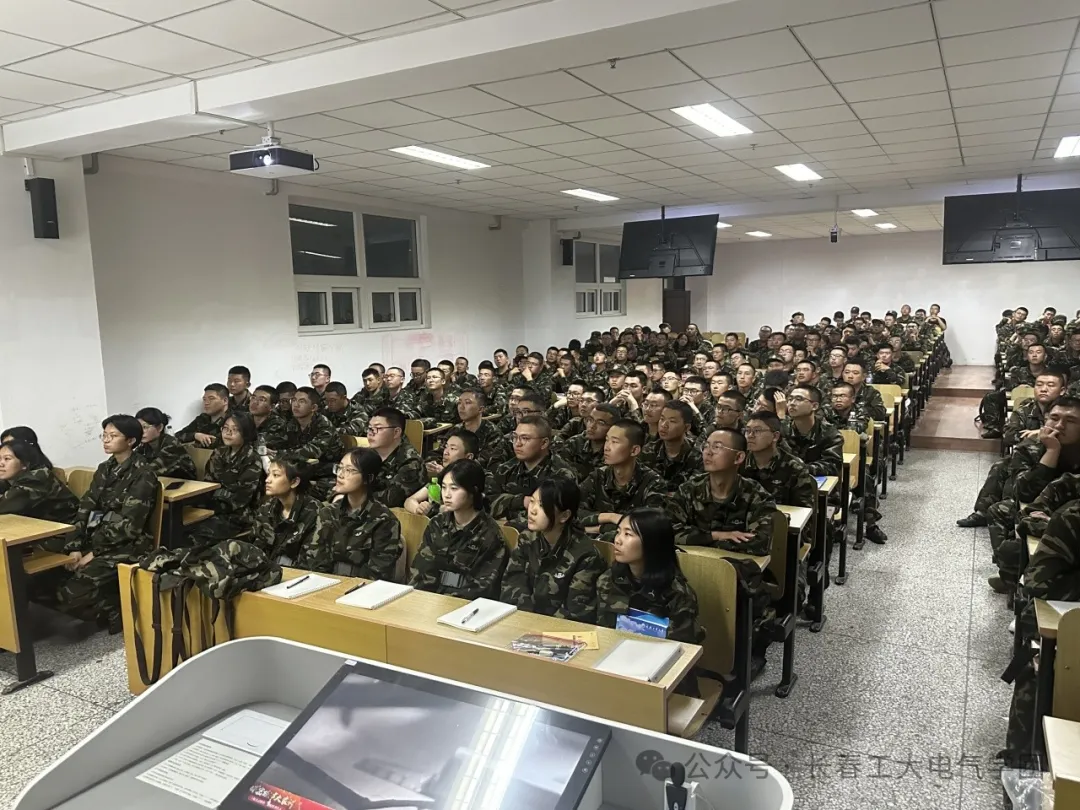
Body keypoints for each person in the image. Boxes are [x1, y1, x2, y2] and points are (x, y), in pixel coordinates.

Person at [54, 415, 158, 631]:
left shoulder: (143, 474)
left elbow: (130, 526)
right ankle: (107, 598)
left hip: (129, 544)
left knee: (69, 595)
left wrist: (94, 553)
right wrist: (74, 546)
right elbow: (85, 508)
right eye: (104, 435)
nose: (106, 440)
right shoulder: (105, 468)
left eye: (113, 436)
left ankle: (115, 607)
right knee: (49, 575)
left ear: (130, 441)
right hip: (99, 535)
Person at [1005, 502, 1080, 763]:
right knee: (1040, 661)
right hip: (1066, 624)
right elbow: (1037, 583)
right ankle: (1022, 759)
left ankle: (1023, 758)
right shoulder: (1072, 516)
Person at [988, 399, 1080, 592]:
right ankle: (1010, 577)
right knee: (1004, 530)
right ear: (1045, 420)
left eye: (1071, 421)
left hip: (1070, 519)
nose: (1060, 425)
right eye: (1054, 418)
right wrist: (1052, 451)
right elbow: (1024, 492)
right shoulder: (1030, 446)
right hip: (1038, 509)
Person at [500, 478, 606, 622]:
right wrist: (526, 620)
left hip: (560, 629)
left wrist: (538, 627)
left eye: (542, 506)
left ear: (564, 516)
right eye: (532, 501)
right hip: (523, 622)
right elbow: (512, 584)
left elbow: (575, 612)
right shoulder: (527, 538)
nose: (532, 510)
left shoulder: (586, 556)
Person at [595, 509, 703, 645]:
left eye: (628, 534)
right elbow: (601, 631)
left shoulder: (678, 595)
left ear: (652, 542)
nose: (617, 540)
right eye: (618, 532)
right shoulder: (608, 579)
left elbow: (683, 649)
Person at [409, 459, 508, 599]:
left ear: (473, 490)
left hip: (464, 605)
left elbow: (481, 588)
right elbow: (421, 571)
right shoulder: (437, 523)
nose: (447, 494)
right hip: (428, 600)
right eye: (444, 487)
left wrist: (445, 599)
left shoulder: (490, 534)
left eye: (454, 488)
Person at [301, 448, 403, 581]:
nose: (340, 475)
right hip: (325, 584)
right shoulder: (328, 512)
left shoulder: (384, 521)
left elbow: (378, 573)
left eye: (349, 470)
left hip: (362, 588)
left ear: (368, 478)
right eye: (340, 468)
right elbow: (315, 561)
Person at [671, 428, 776, 555]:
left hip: (737, 565)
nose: (708, 452)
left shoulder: (758, 496)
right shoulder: (688, 490)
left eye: (717, 447)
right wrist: (716, 536)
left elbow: (760, 544)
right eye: (706, 446)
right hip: (694, 564)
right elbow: (668, 531)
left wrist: (699, 539)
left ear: (738, 457)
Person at [579, 419, 666, 539]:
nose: (606, 447)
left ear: (634, 450)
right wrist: (610, 517)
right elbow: (572, 512)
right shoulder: (598, 476)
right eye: (607, 440)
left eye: (614, 442)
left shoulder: (653, 483)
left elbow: (646, 528)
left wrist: (597, 528)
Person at [186, 412, 264, 546]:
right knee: (180, 523)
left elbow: (241, 497)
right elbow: (207, 484)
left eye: (235, 430)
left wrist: (214, 499)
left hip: (238, 514)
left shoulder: (252, 459)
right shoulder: (219, 452)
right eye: (225, 428)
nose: (228, 433)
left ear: (246, 433)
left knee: (201, 532)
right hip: (212, 506)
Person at [489, 415, 576, 525]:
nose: (517, 443)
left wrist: (507, 514)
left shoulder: (561, 474)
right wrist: (522, 501)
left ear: (544, 443)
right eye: (515, 437)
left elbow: (552, 517)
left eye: (525, 438)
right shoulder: (506, 469)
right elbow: (487, 503)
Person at [251, 458, 321, 567]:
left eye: (275, 475)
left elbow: (310, 560)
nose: (267, 480)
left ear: (294, 482)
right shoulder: (266, 508)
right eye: (268, 474)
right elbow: (256, 550)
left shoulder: (314, 512)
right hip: (268, 571)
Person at [742, 411, 817, 508]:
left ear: (775, 436)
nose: (750, 435)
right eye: (747, 430)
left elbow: (804, 510)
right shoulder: (738, 462)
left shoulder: (794, 467)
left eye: (757, 431)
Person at [280, 386, 342, 499]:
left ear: (313, 407)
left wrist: (280, 454)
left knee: (309, 495)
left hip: (328, 472)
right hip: (304, 469)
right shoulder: (292, 423)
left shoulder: (324, 425)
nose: (295, 405)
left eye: (302, 401)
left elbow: (310, 452)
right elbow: (280, 442)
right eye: (294, 400)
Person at [0, 438, 78, 523]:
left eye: (7, 459)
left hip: (67, 527)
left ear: (25, 464)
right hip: (39, 526)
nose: (1, 463)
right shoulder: (10, 478)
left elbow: (3, 507)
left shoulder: (35, 479)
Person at [405, 428, 478, 516]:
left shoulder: (480, 479)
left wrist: (434, 510)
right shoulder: (444, 475)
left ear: (469, 457)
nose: (445, 452)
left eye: (452, 448)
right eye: (446, 447)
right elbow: (410, 501)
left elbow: (464, 508)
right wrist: (418, 509)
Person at [640, 401, 703, 493]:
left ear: (687, 427)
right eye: (662, 419)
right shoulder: (649, 450)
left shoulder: (699, 453)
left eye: (672, 421)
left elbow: (695, 490)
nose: (664, 425)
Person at [367, 407, 424, 509]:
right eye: (369, 428)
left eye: (378, 428)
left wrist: (355, 497)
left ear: (396, 432)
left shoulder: (411, 462)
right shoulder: (368, 453)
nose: (371, 433)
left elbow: (391, 499)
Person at [782, 386, 843, 478]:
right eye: (790, 399)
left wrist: (801, 469)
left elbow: (832, 466)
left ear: (814, 406)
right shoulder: (781, 429)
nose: (792, 403)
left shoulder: (830, 434)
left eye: (799, 399)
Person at [134, 407, 197, 479]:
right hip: (162, 481)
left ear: (159, 427)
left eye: (145, 427)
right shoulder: (144, 446)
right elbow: (133, 463)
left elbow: (151, 469)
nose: (141, 432)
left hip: (185, 482)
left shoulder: (172, 445)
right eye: (138, 427)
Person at [558, 403, 617, 480]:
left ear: (613, 428)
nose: (592, 426)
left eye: (600, 423)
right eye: (590, 420)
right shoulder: (574, 442)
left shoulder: (614, 452)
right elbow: (560, 471)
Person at [249, 384, 289, 452]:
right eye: (253, 397)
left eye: (261, 400)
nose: (255, 402)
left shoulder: (278, 424)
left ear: (272, 407)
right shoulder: (243, 418)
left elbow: (260, 444)